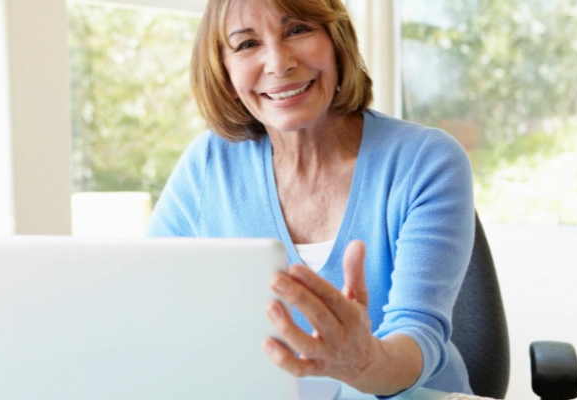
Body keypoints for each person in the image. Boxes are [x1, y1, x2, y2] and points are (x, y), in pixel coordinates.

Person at [145, 0, 475, 397]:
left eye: (298, 30)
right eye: (247, 44)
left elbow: (418, 333)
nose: (278, 63)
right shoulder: (207, 166)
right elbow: (149, 308)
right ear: (224, 71)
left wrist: (364, 362)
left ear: (336, 42)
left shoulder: (426, 160)